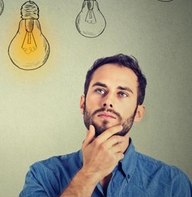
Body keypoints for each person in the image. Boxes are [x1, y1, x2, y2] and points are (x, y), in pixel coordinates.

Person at [19, 54, 191, 196]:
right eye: (100, 90)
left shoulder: (173, 183)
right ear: (82, 103)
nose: (108, 101)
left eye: (122, 94)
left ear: (138, 113)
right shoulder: (41, 175)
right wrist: (89, 174)